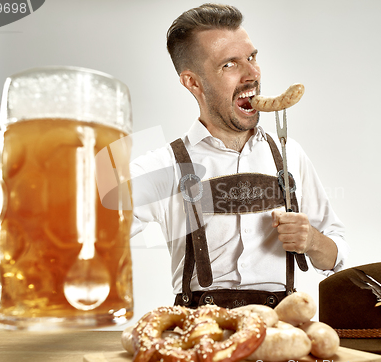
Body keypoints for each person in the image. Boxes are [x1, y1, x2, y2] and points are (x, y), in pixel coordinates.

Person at [130, 3, 349, 308]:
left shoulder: (289, 156)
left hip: (281, 325)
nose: (252, 73)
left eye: (251, 57)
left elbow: (335, 256)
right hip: (200, 332)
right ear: (192, 82)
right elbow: (92, 232)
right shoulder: (164, 166)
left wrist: (311, 240)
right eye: (230, 64)